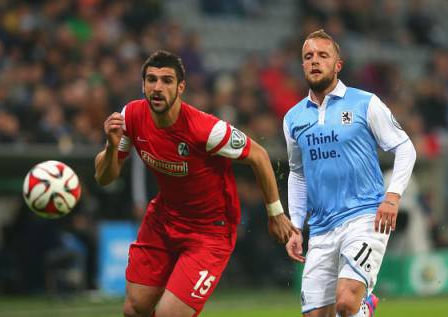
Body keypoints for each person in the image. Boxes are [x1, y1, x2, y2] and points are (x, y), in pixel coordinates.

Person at [94, 50, 297, 317]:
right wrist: (111, 146)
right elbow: (104, 176)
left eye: (166, 80)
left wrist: (276, 213)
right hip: (163, 221)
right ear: (143, 85)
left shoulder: (205, 130)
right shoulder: (131, 116)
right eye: (151, 80)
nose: (157, 87)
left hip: (209, 233)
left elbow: (258, 155)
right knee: (135, 308)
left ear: (180, 87)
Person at [283, 30, 417, 317]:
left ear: (338, 65)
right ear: (302, 65)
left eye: (323, 55)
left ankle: (363, 307)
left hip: (366, 217)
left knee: (346, 303)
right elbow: (297, 173)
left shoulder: (364, 103)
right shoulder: (293, 118)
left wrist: (392, 197)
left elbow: (406, 148)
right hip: (320, 228)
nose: (315, 61)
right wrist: (296, 225)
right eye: (308, 56)